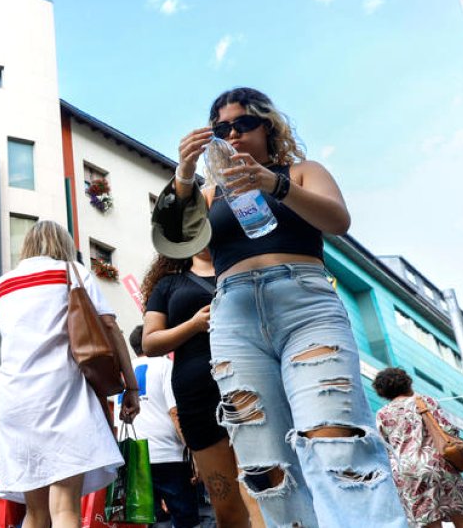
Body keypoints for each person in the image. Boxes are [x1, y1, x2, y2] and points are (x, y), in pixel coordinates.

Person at [171, 87, 406, 526]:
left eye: (243, 123)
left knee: (334, 438)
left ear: (268, 124)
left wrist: (272, 183)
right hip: (235, 312)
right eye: (221, 128)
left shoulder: (300, 171)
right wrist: (185, 173)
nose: (233, 134)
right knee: (265, 464)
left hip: (304, 304)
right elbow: (177, 241)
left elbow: (337, 220)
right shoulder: (209, 193)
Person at [0, 220, 139, 528]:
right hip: (60, 395)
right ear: (63, 244)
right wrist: (132, 386)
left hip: (15, 401)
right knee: (64, 509)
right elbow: (110, 327)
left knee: (35, 512)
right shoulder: (72, 272)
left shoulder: (2, 285)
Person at [141, 248, 259, 528]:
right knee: (225, 506)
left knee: (259, 491)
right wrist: (193, 325)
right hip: (196, 396)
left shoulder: (242, 268)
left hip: (249, 384)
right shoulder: (168, 284)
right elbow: (151, 342)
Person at [369, 367, 463, 527]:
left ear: (383, 393)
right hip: (439, 466)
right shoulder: (425, 401)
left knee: (429, 523)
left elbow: (383, 448)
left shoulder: (382, 414)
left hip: (407, 473)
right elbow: (447, 431)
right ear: (408, 383)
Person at [128, 326, 200, 528]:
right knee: (185, 518)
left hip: (134, 455)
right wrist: (193, 452)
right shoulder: (164, 365)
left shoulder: (124, 371)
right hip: (167, 454)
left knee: (147, 521)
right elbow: (175, 412)